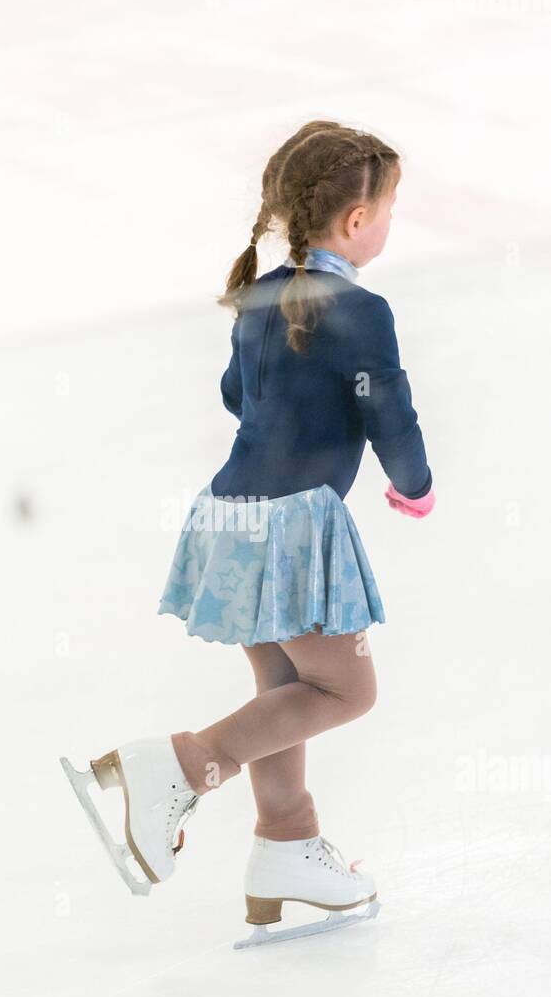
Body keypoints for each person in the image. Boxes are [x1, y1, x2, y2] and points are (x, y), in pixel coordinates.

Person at [63, 121, 434, 945]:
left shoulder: (261, 291)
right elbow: (388, 410)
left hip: (229, 514)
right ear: (355, 221)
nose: (389, 225)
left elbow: (238, 394)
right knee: (346, 688)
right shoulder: (362, 311)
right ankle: (180, 764)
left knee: (285, 693)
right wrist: (415, 485)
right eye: (389, 210)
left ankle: (286, 847)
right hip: (293, 528)